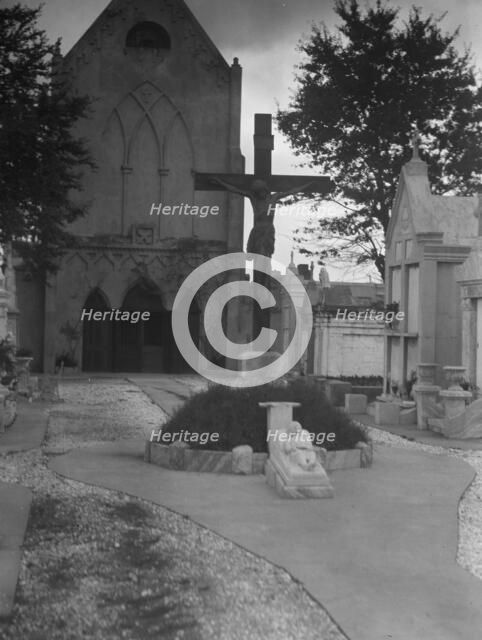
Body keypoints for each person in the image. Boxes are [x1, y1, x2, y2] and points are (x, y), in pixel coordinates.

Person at [211, 177, 314, 258]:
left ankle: (264, 280)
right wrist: (220, 182)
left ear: (265, 190)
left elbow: (292, 191)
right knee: (257, 257)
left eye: (261, 191)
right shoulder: (254, 198)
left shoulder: (274, 197)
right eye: (257, 192)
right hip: (257, 232)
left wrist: (307, 186)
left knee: (265, 256)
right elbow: (235, 190)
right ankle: (259, 279)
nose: (260, 194)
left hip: (267, 231)